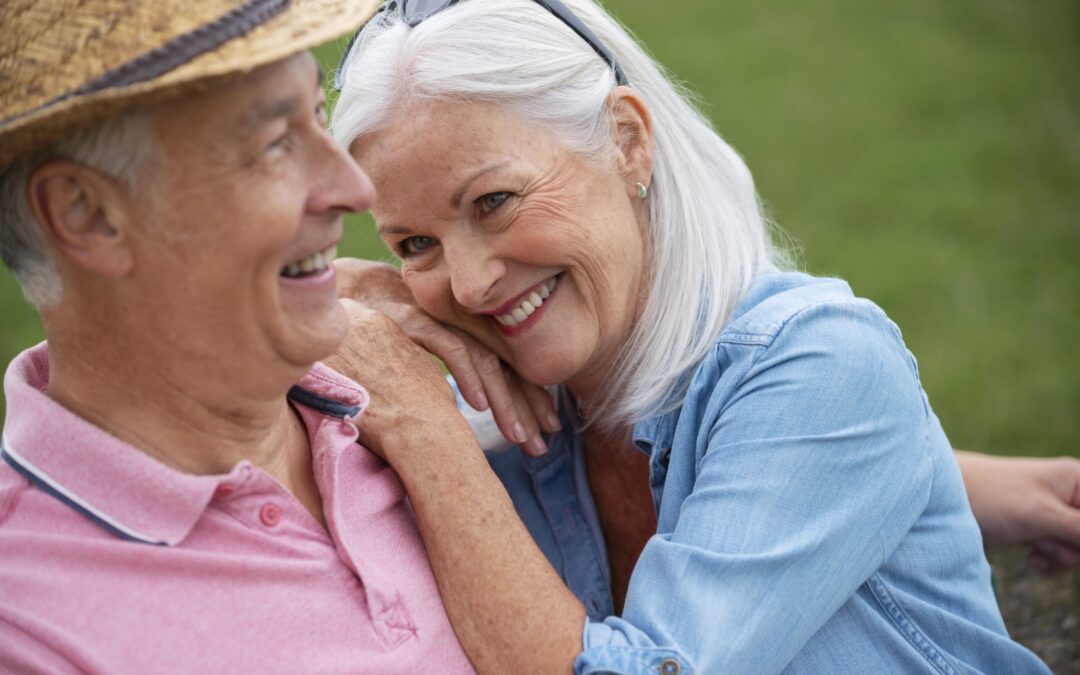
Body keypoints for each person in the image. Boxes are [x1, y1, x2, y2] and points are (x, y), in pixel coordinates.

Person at [328, 0, 1072, 672]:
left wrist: (425, 432)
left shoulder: (822, 362)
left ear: (627, 141)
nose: (468, 283)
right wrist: (331, 297)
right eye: (414, 244)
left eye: (494, 200)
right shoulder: (497, 403)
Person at [0, 0, 475, 672]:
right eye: (276, 143)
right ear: (86, 215)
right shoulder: (25, 630)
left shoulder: (430, 387)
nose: (354, 186)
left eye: (317, 114)